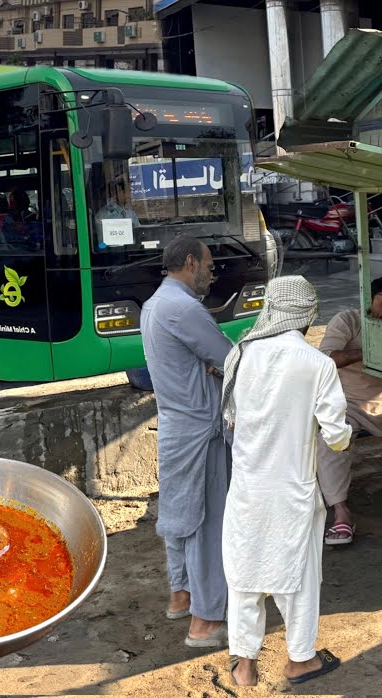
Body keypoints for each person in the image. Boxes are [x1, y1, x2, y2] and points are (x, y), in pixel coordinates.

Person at [219, 275, 351, 688]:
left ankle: (243, 664)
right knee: (297, 577)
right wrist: (341, 436)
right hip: (292, 490)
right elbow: (336, 433)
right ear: (309, 314)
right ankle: (300, 660)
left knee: (244, 575)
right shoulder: (317, 364)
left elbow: (233, 417)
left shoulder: (241, 355)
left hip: (246, 489)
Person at [140, 236, 232, 648]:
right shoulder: (183, 307)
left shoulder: (156, 303)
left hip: (177, 426)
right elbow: (227, 357)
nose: (212, 272)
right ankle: (206, 620)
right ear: (190, 263)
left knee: (180, 520)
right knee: (207, 524)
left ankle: (181, 595)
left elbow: (195, 362)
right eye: (209, 265)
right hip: (200, 430)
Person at [316, 273, 382, 545]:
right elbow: (326, 359)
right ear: (369, 299)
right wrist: (369, 352)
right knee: (332, 438)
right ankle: (341, 512)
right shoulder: (348, 321)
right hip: (348, 400)